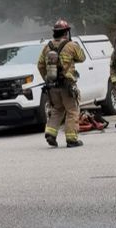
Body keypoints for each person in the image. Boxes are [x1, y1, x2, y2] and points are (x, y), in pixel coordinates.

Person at [37, 19, 86, 148]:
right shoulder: (71, 45)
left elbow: (40, 65)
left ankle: (50, 134)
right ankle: (71, 139)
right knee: (72, 111)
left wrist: (47, 79)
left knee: (57, 109)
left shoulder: (47, 47)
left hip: (52, 86)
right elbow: (82, 58)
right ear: (66, 32)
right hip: (67, 85)